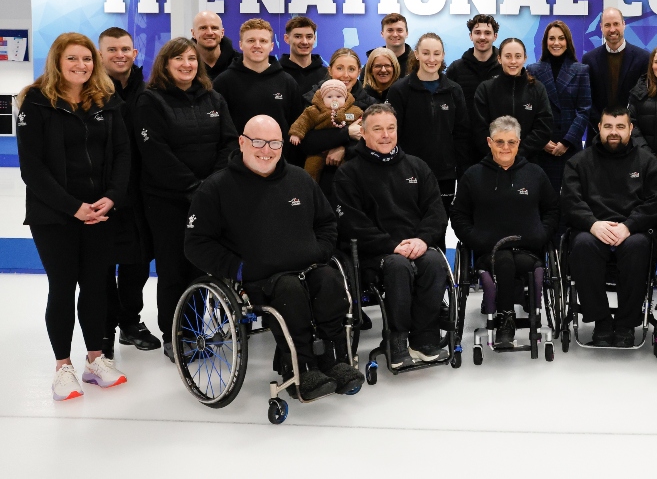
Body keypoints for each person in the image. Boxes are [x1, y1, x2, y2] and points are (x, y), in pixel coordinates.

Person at [185, 115, 364, 398]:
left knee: (330, 280)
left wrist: (320, 251)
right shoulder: (216, 188)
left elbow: (327, 223)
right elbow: (196, 243)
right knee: (289, 290)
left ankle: (336, 361)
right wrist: (239, 269)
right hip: (260, 277)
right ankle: (301, 369)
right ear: (242, 142)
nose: (266, 150)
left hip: (309, 266)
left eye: (274, 143)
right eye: (258, 142)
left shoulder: (300, 178)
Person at [18, 32, 131, 400]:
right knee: (63, 287)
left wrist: (110, 198)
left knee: (97, 285)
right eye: (72, 59)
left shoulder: (107, 100)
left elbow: (122, 155)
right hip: (54, 214)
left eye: (86, 59)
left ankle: (95, 360)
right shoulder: (35, 102)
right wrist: (73, 207)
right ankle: (62, 366)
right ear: (57, 61)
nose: (81, 65)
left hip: (100, 211)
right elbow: (32, 169)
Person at [135, 37, 238, 359]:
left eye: (192, 59)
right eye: (178, 59)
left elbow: (229, 142)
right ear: (165, 64)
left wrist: (209, 188)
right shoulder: (150, 101)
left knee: (201, 269)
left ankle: (196, 332)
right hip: (167, 202)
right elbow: (156, 153)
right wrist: (194, 187)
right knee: (173, 269)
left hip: (208, 200)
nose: (186, 64)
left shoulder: (213, 98)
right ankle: (174, 336)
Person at [334, 103, 449, 367]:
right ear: (363, 133)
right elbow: (351, 224)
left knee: (433, 262)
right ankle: (396, 339)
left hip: (417, 247)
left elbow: (436, 212)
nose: (385, 135)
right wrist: (392, 245)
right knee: (398, 267)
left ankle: (424, 338)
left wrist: (422, 240)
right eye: (377, 129)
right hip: (376, 254)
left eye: (391, 128)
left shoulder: (417, 167)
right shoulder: (349, 173)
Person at [561, 105, 657, 347]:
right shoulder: (579, 162)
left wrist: (629, 226)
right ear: (598, 128)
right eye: (608, 126)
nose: (614, 132)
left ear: (630, 129)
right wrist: (592, 224)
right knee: (581, 245)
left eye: (620, 127)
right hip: (592, 229)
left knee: (638, 247)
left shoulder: (647, 162)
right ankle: (600, 321)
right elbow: (570, 200)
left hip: (633, 231)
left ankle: (625, 324)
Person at [450, 116, 558, 347]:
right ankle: (505, 320)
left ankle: (515, 313)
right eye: (500, 142)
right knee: (505, 261)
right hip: (489, 251)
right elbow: (458, 215)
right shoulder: (473, 175)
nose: (506, 148)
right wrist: (475, 238)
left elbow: (552, 210)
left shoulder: (535, 173)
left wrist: (542, 233)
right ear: (489, 142)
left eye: (511, 142)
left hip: (528, 249)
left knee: (515, 262)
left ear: (519, 143)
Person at [96, 27, 158, 354]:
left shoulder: (147, 91)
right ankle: (105, 329)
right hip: (100, 193)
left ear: (135, 54)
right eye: (112, 50)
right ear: (100, 54)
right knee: (103, 265)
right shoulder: (88, 92)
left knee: (136, 263)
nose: (120, 55)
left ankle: (130, 323)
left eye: (125, 49)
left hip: (139, 194)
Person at [387, 32, 472, 231]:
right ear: (416, 54)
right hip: (407, 173)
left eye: (436, 54)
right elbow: (391, 135)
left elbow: (462, 134)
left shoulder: (453, 90)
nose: (431, 59)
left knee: (438, 228)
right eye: (426, 53)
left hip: (444, 175)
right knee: (408, 226)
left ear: (443, 56)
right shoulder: (400, 90)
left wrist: (461, 172)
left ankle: (438, 262)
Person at [211, 18, 304, 138]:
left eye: (263, 41)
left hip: (280, 155)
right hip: (237, 156)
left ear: (271, 46)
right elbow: (215, 128)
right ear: (241, 45)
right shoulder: (223, 82)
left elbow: (297, 128)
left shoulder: (287, 82)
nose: (257, 46)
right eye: (251, 40)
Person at [528, 20, 591, 189]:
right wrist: (541, 141)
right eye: (552, 38)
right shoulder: (533, 70)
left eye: (561, 38)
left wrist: (566, 142)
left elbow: (584, 110)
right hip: (542, 148)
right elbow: (529, 111)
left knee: (571, 199)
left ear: (568, 42)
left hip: (570, 148)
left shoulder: (581, 70)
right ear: (545, 42)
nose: (556, 43)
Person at [473, 37, 554, 163]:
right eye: (508, 56)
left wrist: (517, 154)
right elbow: (479, 128)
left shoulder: (537, 89)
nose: (513, 61)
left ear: (525, 58)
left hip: (528, 163)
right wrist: (499, 154)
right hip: (492, 163)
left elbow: (543, 128)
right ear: (499, 59)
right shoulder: (485, 89)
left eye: (518, 56)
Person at [581, 7, 650, 125]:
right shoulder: (589, 59)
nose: (612, 29)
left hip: (631, 134)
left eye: (616, 24)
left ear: (624, 24)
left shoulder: (643, 58)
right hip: (598, 133)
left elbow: (644, 99)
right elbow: (586, 99)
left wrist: (626, 126)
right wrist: (602, 125)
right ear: (601, 28)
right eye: (607, 25)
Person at [289, 79, 364, 182]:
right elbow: (302, 122)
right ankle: (309, 188)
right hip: (318, 150)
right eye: (329, 97)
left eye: (339, 96)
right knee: (311, 169)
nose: (334, 100)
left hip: (343, 149)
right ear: (322, 98)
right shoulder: (314, 111)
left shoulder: (352, 110)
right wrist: (296, 134)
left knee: (347, 170)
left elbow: (362, 120)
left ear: (345, 97)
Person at [445, 14, 502, 136]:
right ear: (471, 36)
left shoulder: (504, 68)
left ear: (495, 36)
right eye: (477, 32)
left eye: (487, 33)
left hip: (498, 139)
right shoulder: (456, 69)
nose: (482, 37)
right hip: (464, 140)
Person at [278, 15, 327, 94]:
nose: (304, 42)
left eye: (309, 37)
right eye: (298, 36)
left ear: (314, 39)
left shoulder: (326, 75)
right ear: (286, 39)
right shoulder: (275, 73)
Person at [190, 11, 238, 80]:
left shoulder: (239, 62)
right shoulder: (185, 65)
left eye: (214, 28)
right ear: (193, 33)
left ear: (222, 33)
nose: (209, 32)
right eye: (203, 28)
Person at [377, 13, 412, 77]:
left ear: (406, 33)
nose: (395, 34)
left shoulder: (417, 62)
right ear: (382, 34)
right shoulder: (373, 63)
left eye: (399, 30)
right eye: (390, 30)